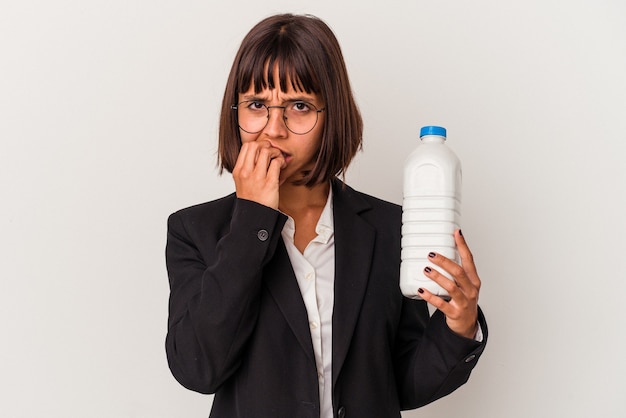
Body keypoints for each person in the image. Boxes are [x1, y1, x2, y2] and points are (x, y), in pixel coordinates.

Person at [165, 13, 487, 418]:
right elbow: (198, 369)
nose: (273, 129)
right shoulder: (194, 231)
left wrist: (459, 326)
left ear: (330, 115)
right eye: (256, 105)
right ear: (237, 113)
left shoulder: (388, 229)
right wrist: (250, 222)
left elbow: (399, 382)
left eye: (299, 106)